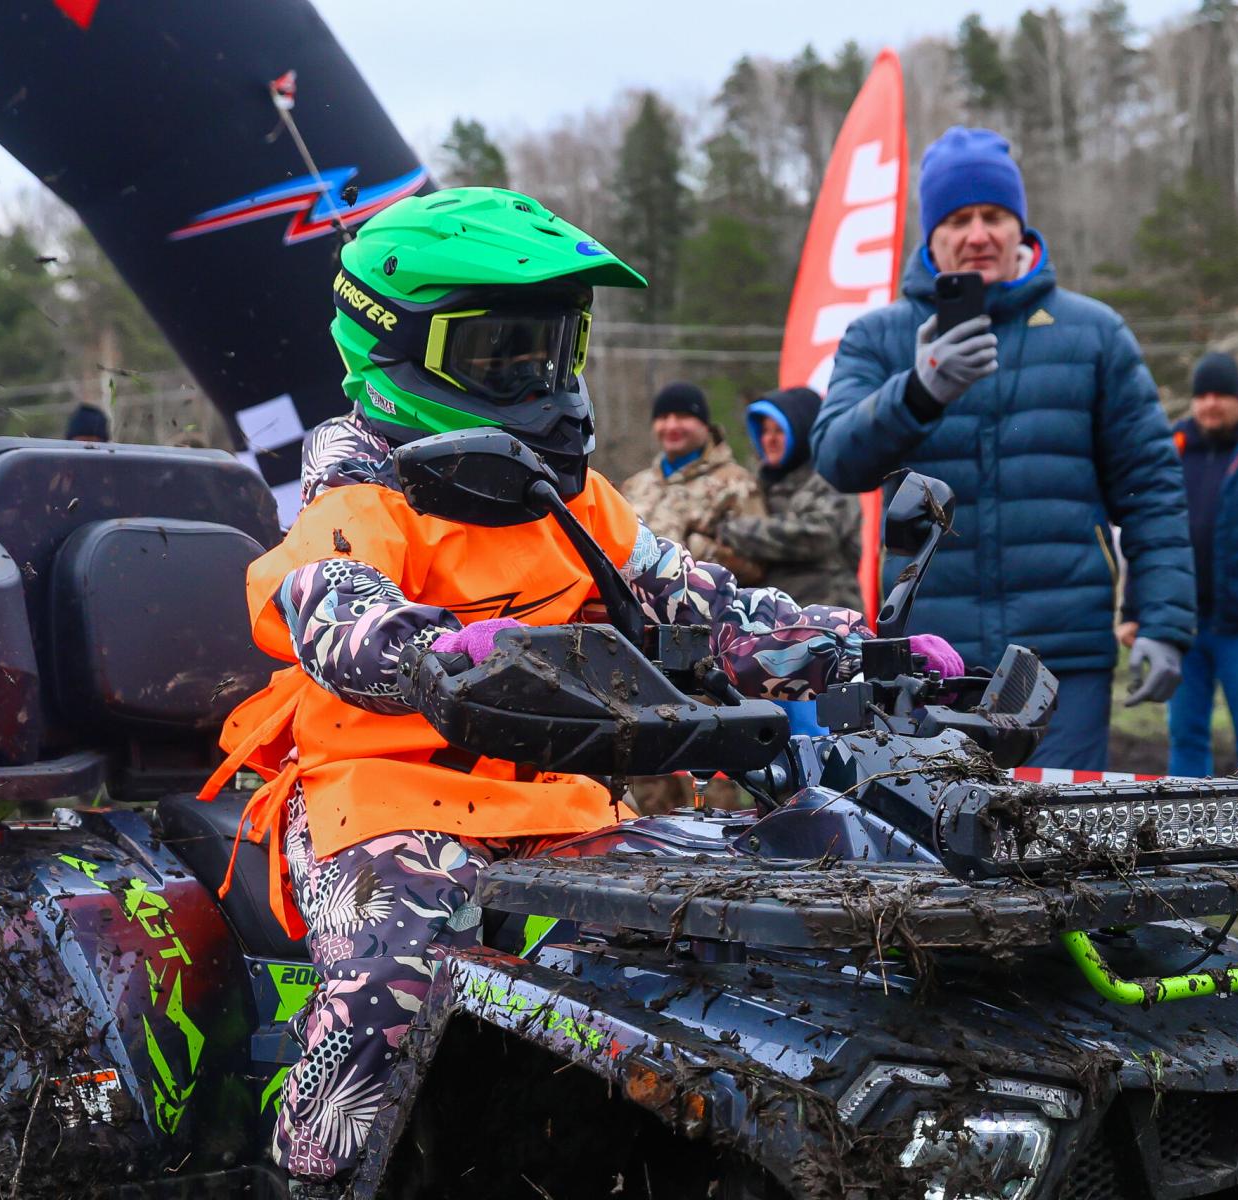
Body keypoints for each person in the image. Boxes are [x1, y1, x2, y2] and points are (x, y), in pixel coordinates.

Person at [197, 188, 960, 1197]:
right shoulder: (360, 494)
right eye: (503, 355)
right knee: (397, 967)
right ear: (396, 347)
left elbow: (712, 612)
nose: (540, 382)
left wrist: (860, 649)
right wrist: (428, 647)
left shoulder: (574, 498)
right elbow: (330, 605)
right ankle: (313, 1176)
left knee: (730, 935)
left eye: (554, 351)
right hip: (382, 803)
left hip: (563, 806)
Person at [812, 126, 1194, 769]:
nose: (978, 234)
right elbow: (837, 459)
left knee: (1055, 853)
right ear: (931, 235)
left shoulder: (1094, 333)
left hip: (1061, 661)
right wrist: (920, 389)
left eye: (994, 215)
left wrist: (1164, 622)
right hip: (926, 665)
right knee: (931, 848)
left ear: (1022, 227)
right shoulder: (880, 338)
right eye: (958, 219)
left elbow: (1152, 488)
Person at [1118, 351, 1238, 776]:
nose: (1210, 404)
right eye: (1202, 395)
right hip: (1181, 627)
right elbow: (1150, 531)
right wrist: (1135, 610)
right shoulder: (1173, 447)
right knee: (1185, 734)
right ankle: (1186, 831)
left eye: (1221, 394)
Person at [716, 386, 861, 610]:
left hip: (827, 618)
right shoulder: (755, 483)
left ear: (802, 431)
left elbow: (817, 535)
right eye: (764, 431)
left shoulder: (831, 478)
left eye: (779, 431)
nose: (769, 440)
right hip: (772, 619)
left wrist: (735, 530)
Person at [618, 382, 767, 585]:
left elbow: (757, 566)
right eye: (663, 418)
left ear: (704, 425)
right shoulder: (635, 485)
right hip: (633, 608)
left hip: (702, 612)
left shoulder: (736, 483)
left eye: (682, 416)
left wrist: (699, 551)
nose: (671, 426)